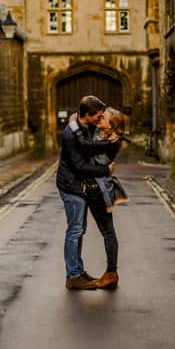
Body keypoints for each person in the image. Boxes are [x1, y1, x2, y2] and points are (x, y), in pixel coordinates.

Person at [56, 95, 115, 290]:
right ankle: (72, 275)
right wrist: (105, 170)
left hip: (77, 186)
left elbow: (89, 148)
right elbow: (80, 166)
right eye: (97, 116)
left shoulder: (82, 128)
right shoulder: (72, 134)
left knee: (79, 230)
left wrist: (109, 143)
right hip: (71, 186)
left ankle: (78, 271)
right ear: (86, 115)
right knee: (74, 231)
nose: (100, 119)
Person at [69, 107, 126, 290]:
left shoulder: (112, 142)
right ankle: (80, 271)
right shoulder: (101, 133)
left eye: (104, 118)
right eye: (100, 117)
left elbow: (87, 152)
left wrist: (74, 127)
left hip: (98, 192)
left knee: (108, 232)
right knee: (82, 230)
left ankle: (111, 273)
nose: (100, 120)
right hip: (91, 189)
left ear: (112, 126)